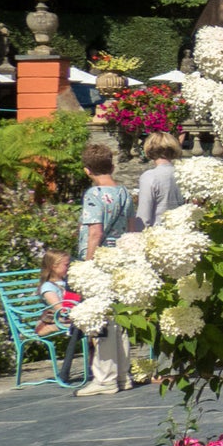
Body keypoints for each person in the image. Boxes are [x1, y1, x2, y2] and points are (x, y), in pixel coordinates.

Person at [73, 143, 134, 396]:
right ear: (112, 166)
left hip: (100, 261)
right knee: (118, 317)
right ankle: (123, 375)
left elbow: (95, 231)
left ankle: (105, 377)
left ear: (87, 170)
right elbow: (132, 226)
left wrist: (88, 263)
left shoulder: (93, 195)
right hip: (120, 256)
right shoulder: (124, 192)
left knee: (101, 318)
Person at [37, 250, 83, 384]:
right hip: (52, 322)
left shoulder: (69, 282)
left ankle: (97, 365)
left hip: (69, 319)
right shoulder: (48, 286)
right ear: (53, 266)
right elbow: (59, 309)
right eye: (66, 265)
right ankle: (65, 372)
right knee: (86, 327)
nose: (69, 268)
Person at [134, 132, 182, 231]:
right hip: (182, 231)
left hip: (158, 233)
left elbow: (144, 215)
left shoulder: (149, 177)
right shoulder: (183, 174)